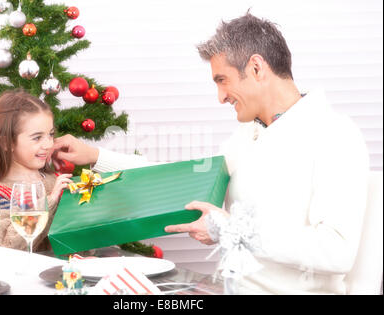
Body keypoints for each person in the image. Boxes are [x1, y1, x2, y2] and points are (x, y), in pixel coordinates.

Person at [49, 13, 369, 294]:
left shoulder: (334, 135)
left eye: (222, 80)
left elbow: (336, 250)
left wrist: (229, 229)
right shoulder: (250, 134)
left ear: (257, 68)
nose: (220, 96)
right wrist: (94, 156)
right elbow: (184, 176)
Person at [0, 89, 73, 252]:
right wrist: (51, 200)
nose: (48, 144)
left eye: (50, 135)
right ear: (6, 143)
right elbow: (6, 245)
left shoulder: (55, 181)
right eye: (37, 137)